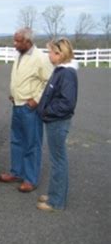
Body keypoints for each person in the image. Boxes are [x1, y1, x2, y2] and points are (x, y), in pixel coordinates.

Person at [0, 28, 53, 192]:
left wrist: (36, 100)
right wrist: (14, 93)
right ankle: (17, 172)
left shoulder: (41, 58)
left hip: (30, 108)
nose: (14, 44)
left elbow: (49, 81)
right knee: (16, 140)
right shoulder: (20, 55)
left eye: (18, 41)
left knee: (32, 143)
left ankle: (30, 179)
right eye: (14, 40)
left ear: (28, 42)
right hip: (17, 104)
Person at [36, 38, 78, 211]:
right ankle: (54, 194)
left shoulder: (66, 73)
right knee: (57, 160)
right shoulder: (60, 70)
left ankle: (56, 201)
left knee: (58, 161)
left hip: (58, 121)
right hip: (55, 120)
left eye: (51, 52)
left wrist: (46, 111)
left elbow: (67, 103)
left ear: (60, 54)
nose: (49, 55)